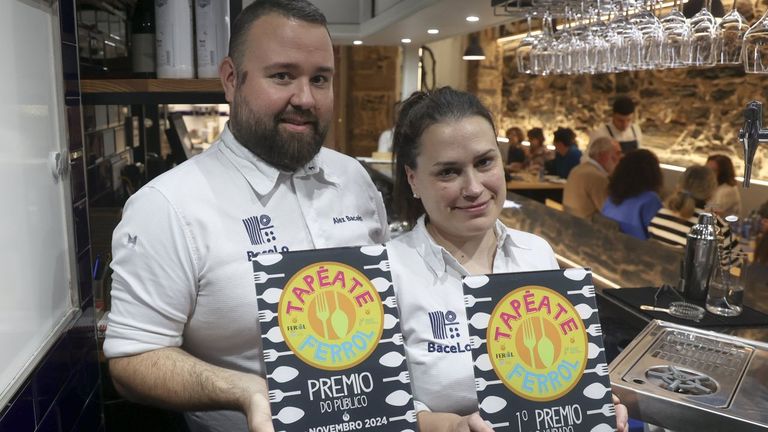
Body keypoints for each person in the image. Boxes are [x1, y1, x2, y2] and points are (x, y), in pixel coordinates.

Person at [103, 2, 390, 432]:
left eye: (320, 79)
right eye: (282, 76)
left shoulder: (354, 178)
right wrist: (247, 390)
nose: (305, 98)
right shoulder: (168, 205)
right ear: (232, 80)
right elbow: (132, 358)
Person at [387, 87, 629, 432]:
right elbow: (378, 407)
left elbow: (562, 369)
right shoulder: (387, 273)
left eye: (484, 162)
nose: (473, 187)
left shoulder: (537, 254)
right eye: (448, 172)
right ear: (413, 178)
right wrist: (452, 427)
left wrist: (594, 402)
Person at [648, 165, 738, 256]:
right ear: (712, 191)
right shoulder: (717, 228)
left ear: (679, 185)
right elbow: (736, 263)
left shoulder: (659, 215)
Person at [601, 149, 663, 240]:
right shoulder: (650, 200)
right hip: (637, 250)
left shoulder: (610, 198)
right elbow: (660, 235)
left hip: (610, 247)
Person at [563, 137, 622, 219]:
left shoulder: (577, 169)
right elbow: (611, 212)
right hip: (587, 228)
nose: (620, 158)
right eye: (617, 153)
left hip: (570, 222)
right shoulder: (597, 177)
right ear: (603, 156)